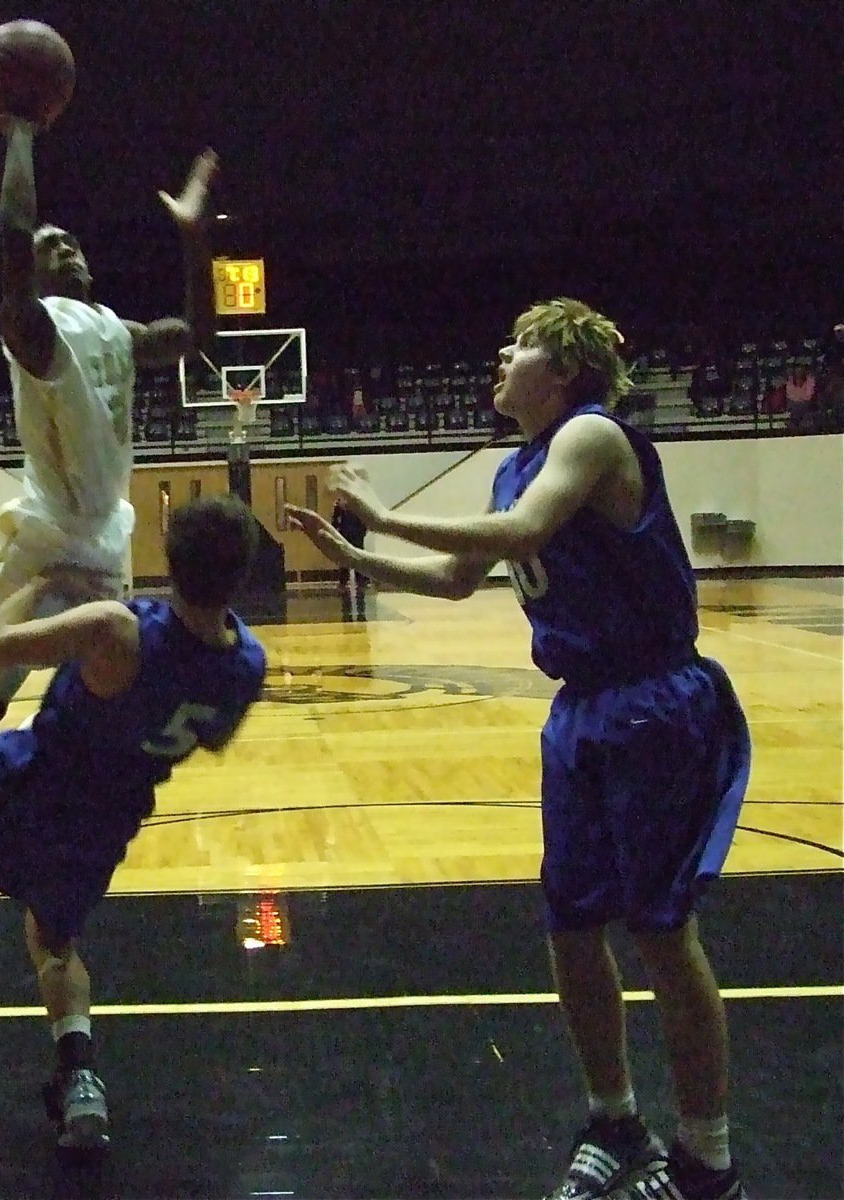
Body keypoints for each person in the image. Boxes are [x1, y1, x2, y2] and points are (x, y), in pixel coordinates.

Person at [287, 298, 751, 1200]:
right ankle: (614, 1120)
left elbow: (523, 537)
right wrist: (353, 552)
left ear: (567, 369)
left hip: (656, 702)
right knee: (572, 927)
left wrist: (382, 516)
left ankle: (708, 1158)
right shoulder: (517, 466)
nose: (501, 353)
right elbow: (459, 579)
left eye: (523, 343)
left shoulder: (592, 437)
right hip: (582, 711)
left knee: (660, 933)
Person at [0, 494, 267, 1173]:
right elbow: (213, 737)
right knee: (54, 940)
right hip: (107, 817)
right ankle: (79, 1076)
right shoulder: (247, 663)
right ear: (241, 576)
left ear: (169, 560)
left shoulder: (115, 629)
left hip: (26, 785)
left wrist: (38, 581)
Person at [0, 110, 218, 821]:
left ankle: (75, 799)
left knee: (112, 682)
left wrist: (196, 240)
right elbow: (14, 240)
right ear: (33, 273)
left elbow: (198, 336)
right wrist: (19, 134)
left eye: (72, 242)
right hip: (49, 539)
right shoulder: (33, 331)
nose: (65, 246)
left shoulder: (118, 330)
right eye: (51, 244)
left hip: (104, 531)